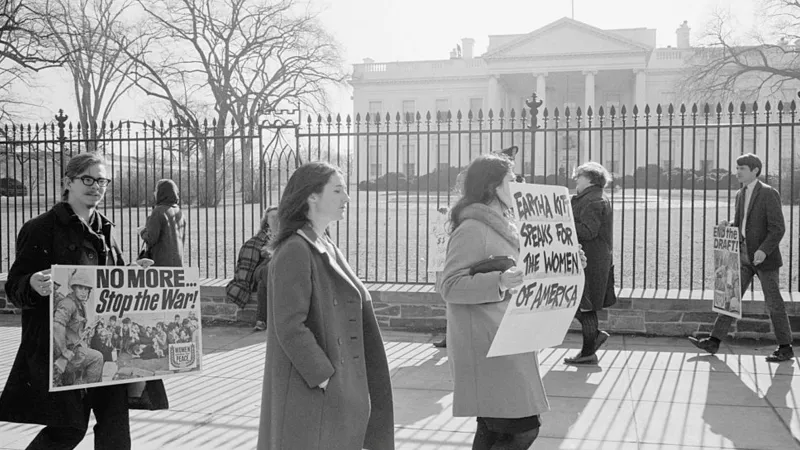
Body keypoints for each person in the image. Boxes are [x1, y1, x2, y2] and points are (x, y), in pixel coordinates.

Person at [0, 152, 168, 449]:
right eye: (87, 179)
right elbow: (15, 286)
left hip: (104, 346)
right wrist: (32, 283)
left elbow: (110, 284)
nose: (96, 187)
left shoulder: (106, 229)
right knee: (68, 430)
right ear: (68, 182)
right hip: (64, 348)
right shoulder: (40, 228)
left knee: (115, 430)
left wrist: (131, 273)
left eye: (102, 181)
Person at [257, 161, 394, 450]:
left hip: (336, 390)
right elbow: (289, 326)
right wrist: (325, 378)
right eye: (338, 190)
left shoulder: (324, 242)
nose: (347, 198)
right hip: (312, 396)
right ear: (312, 196)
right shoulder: (295, 249)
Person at [436, 153, 548, 450]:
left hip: (507, 339)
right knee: (521, 429)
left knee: (495, 430)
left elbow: (524, 270)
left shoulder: (506, 224)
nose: (518, 183)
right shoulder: (472, 228)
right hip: (488, 345)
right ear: (492, 187)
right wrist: (498, 281)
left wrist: (569, 262)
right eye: (512, 179)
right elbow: (450, 286)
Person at [689, 153, 794, 362]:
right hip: (743, 255)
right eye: (737, 168)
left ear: (755, 170)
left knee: (774, 302)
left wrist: (763, 250)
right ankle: (713, 341)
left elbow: (778, 228)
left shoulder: (768, 193)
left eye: (742, 168)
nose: (737, 172)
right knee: (731, 299)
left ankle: (785, 347)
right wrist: (727, 225)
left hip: (764, 259)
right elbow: (741, 223)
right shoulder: (740, 194)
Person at [565, 162, 616, 365]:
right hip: (592, 258)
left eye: (578, 176)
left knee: (583, 303)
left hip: (590, 260)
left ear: (588, 178)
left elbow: (588, 231)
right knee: (581, 303)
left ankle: (589, 348)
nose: (576, 180)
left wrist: (564, 222)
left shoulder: (593, 200)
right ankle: (592, 341)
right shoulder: (593, 197)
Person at [227, 206, 278, 331]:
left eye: (278, 216)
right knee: (266, 271)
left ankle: (261, 321)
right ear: (266, 221)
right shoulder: (259, 239)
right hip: (260, 271)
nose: (276, 219)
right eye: (272, 217)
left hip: (275, 274)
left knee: (262, 285)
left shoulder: (286, 236)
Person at [52, 268, 104, 386]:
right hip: (65, 353)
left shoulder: (79, 304)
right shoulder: (68, 303)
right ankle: (92, 391)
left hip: (72, 349)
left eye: (86, 289)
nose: (84, 292)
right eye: (80, 288)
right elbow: (57, 326)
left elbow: (72, 329)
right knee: (97, 358)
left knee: (68, 384)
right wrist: (64, 351)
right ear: (74, 288)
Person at [139, 178, 186, 267]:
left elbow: (150, 238)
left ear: (161, 192)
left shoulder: (158, 211)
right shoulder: (179, 212)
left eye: (156, 190)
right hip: (178, 263)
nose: (154, 193)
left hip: (160, 263)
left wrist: (142, 231)